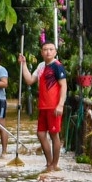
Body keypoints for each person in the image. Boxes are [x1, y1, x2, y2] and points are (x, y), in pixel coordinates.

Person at [21, 41, 67, 174]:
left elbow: (63, 86)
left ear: (55, 52)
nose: (48, 52)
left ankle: (54, 164)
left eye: (51, 49)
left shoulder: (58, 66)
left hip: (54, 106)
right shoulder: (41, 66)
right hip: (43, 106)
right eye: (45, 49)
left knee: (54, 135)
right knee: (41, 134)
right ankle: (49, 163)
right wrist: (23, 64)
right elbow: (30, 80)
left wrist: (60, 104)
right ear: (41, 52)